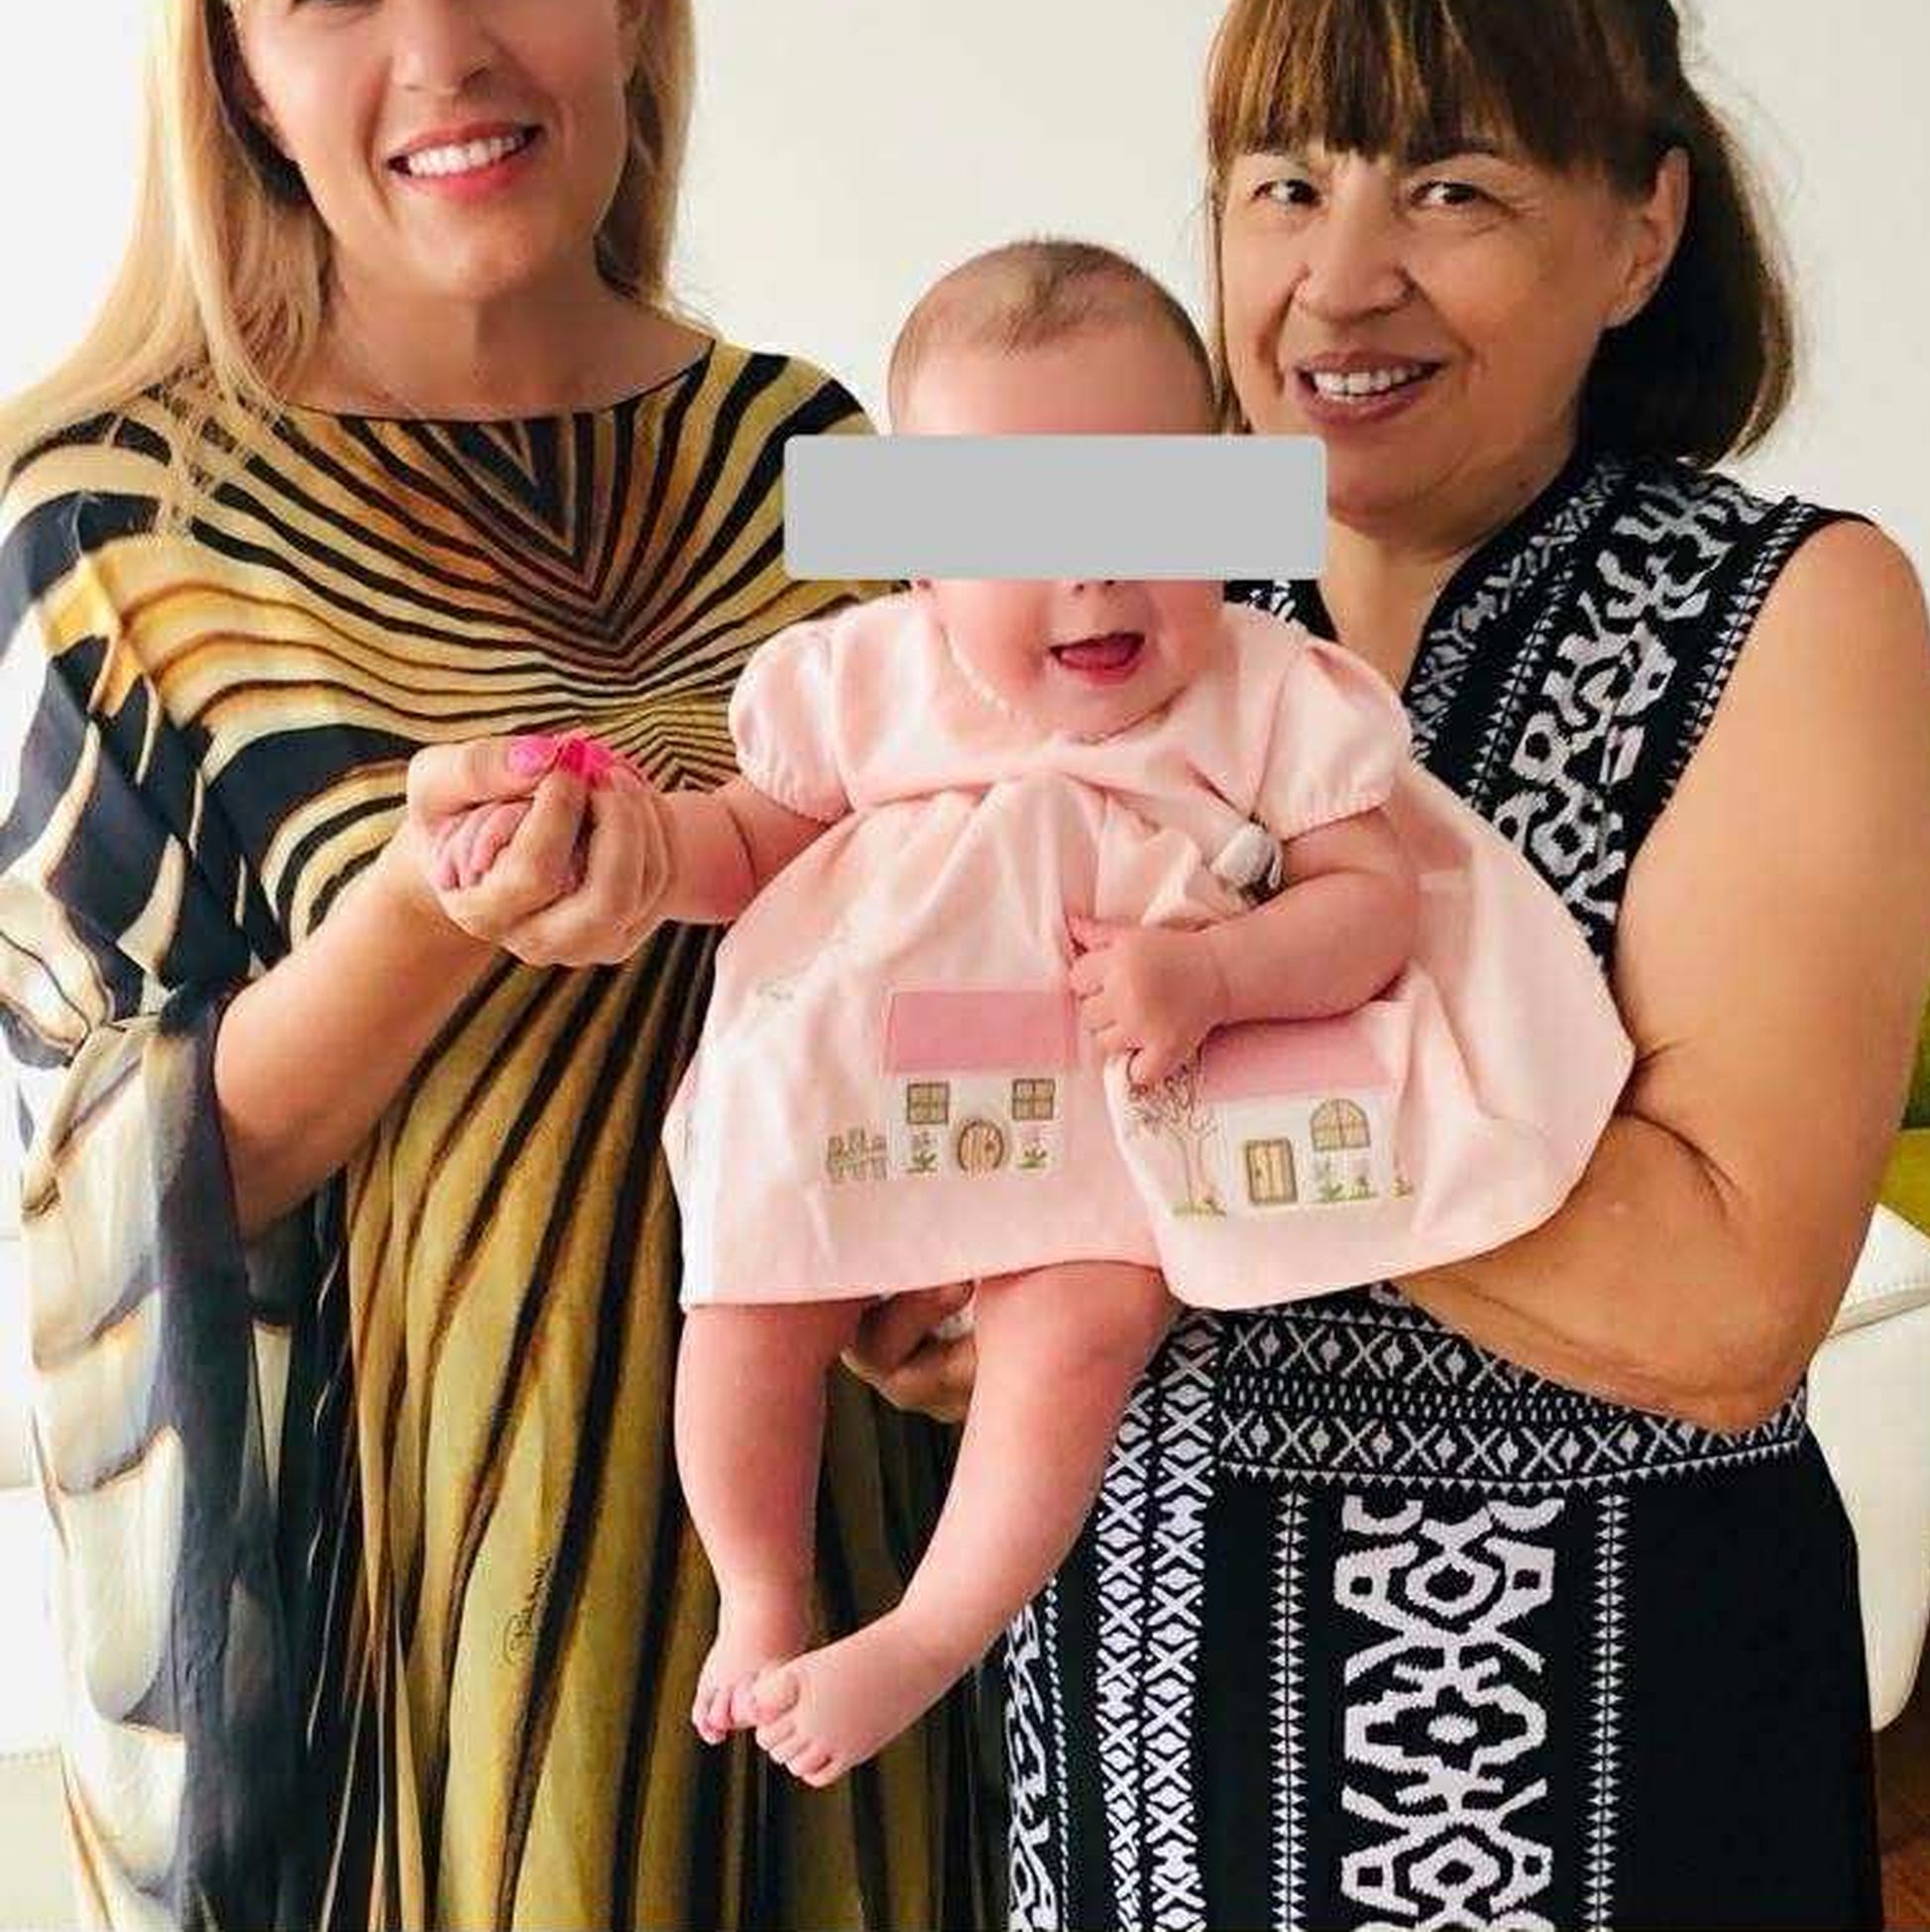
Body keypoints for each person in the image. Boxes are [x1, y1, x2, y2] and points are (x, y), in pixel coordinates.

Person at [861, 0, 1930, 1931]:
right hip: (1126, 1791)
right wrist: (927, 1268)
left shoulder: (1794, 609)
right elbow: (929, 1087)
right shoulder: (1124, 590)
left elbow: (1723, 1303)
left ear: (1641, 229)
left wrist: (1166, 1083)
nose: (1338, 282)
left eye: (1451, 188)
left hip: (1594, 1791)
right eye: (1283, 184)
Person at [0, 0, 982, 1931]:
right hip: (437, 1703)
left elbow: (1244, 568)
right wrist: (425, 921)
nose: (440, 56)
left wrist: (981, 1247)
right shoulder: (110, 520)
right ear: (236, 68)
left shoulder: (842, 449)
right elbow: (80, 1186)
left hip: (876, 1630)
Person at [441, 238, 1631, 1789]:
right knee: (746, 1295)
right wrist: (633, 845)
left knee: (1077, 1330)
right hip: (870, 1086)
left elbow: (1372, 904)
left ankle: (930, 1631)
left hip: (1096, 1114)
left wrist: (1216, 974)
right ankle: (760, 1591)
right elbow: (740, 847)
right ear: (924, 562)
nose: (1093, 570)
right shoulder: (866, 680)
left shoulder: (1266, 691)